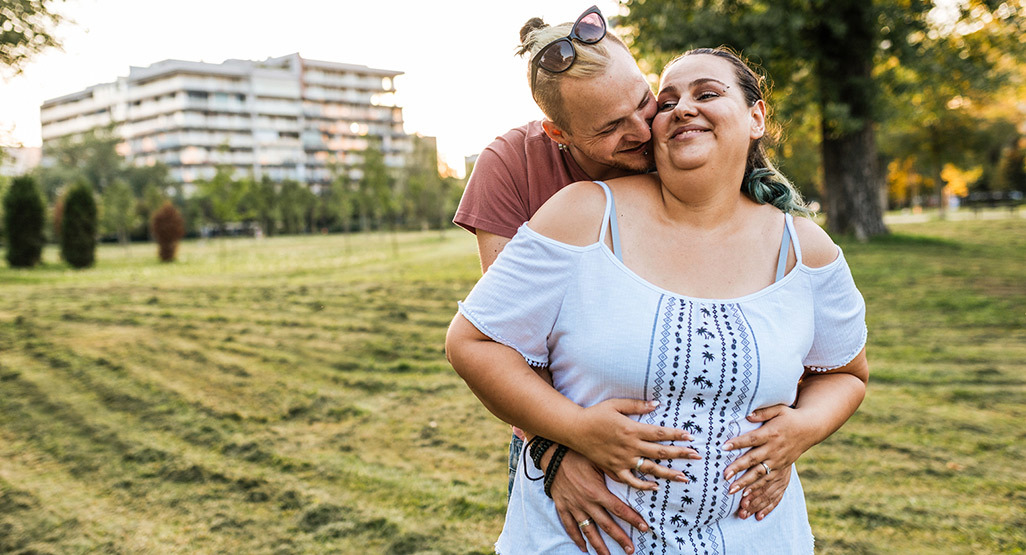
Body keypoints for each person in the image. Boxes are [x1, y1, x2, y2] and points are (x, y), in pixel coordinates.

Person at [446, 44, 869, 553]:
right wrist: (569, 437)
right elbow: (478, 342)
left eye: (707, 93)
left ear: (756, 117)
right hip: (584, 537)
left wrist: (804, 427)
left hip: (756, 537)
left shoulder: (807, 251)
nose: (680, 109)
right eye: (666, 102)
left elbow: (845, 372)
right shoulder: (580, 216)